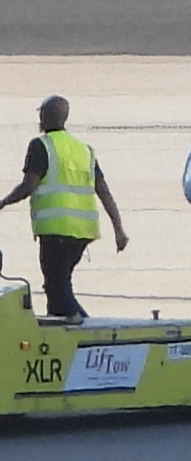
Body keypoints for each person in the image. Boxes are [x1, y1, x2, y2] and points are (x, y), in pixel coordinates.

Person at [2, 97, 130, 321]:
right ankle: (59, 338)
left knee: (58, 290)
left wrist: (3, 202)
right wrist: (118, 229)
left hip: (56, 229)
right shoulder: (84, 150)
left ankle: (89, 331)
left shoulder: (41, 146)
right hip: (83, 232)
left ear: (42, 117)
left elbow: (29, 186)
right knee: (57, 287)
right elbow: (104, 191)